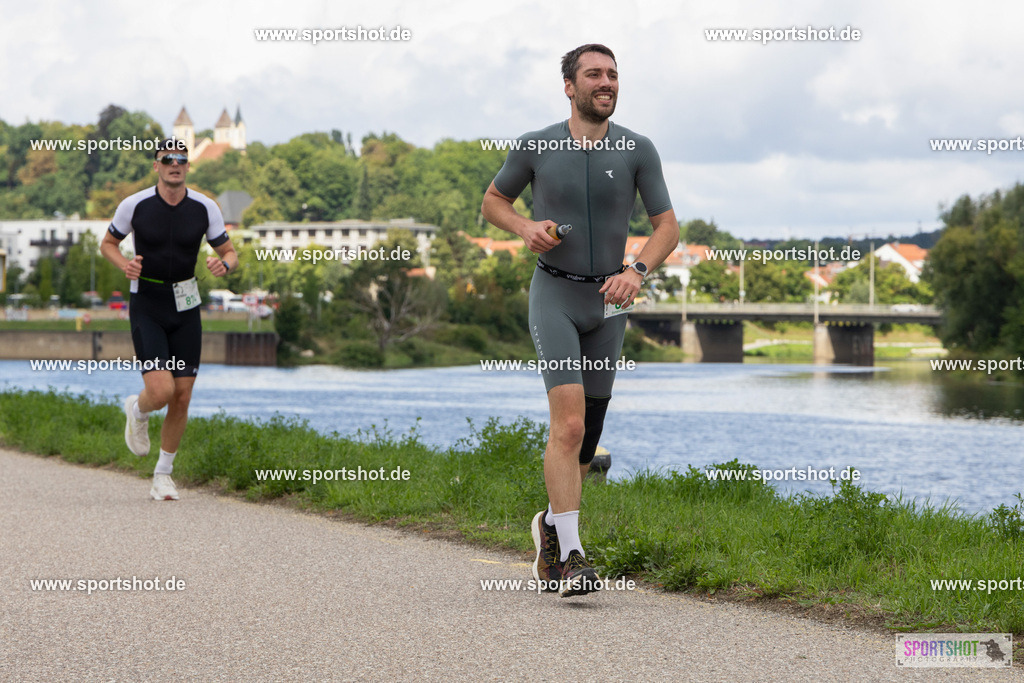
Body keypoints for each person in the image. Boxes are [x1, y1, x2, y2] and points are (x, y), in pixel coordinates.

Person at [481, 44, 679, 596]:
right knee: (567, 427)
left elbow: (667, 227)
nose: (606, 82)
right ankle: (571, 556)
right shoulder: (536, 145)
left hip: (613, 299)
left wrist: (637, 270)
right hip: (557, 294)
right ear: (569, 85)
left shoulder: (639, 149)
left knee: (588, 440)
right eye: (594, 74)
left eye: (613, 74)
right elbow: (493, 201)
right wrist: (524, 228)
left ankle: (549, 523)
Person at [100, 138, 238, 501]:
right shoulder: (135, 204)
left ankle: (163, 475)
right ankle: (138, 408)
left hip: (187, 304)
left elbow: (229, 251)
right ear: (157, 165)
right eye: (167, 159)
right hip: (147, 303)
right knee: (161, 391)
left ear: (188, 166)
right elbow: (108, 244)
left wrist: (224, 264)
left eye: (181, 159)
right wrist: (124, 266)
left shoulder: (205, 207)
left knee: (182, 396)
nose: (175, 164)